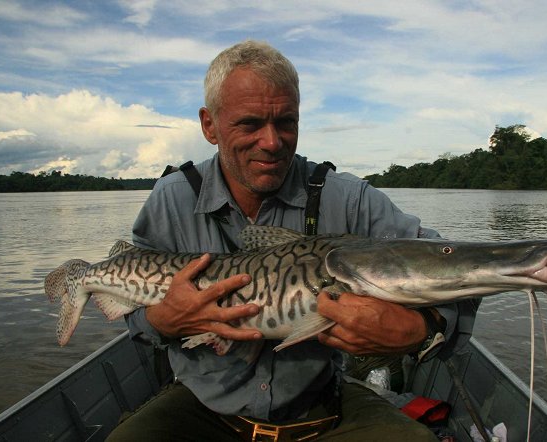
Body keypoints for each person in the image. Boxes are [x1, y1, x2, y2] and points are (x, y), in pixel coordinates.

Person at [107, 40, 475, 442]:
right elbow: (136, 320)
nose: (272, 142)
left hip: (323, 405)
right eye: (249, 124)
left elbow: (441, 262)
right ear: (209, 125)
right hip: (205, 407)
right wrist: (162, 320)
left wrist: (421, 328)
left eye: (286, 122)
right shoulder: (171, 198)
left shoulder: (346, 198)